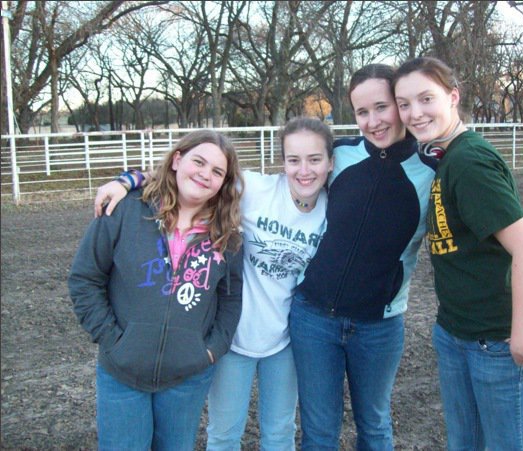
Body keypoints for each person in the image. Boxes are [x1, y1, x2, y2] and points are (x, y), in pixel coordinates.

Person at [93, 117, 334, 450]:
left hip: (284, 340)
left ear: (330, 162)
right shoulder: (256, 189)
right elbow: (190, 175)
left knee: (280, 433)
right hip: (232, 342)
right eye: (293, 159)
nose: (303, 169)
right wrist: (127, 180)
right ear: (283, 162)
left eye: (315, 159)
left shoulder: (332, 209)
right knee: (223, 434)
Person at [393, 56, 523, 451]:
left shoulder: (469, 161)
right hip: (456, 333)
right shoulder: (444, 156)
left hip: (497, 342)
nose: (414, 113)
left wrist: (522, 342)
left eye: (426, 99)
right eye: (404, 103)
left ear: (453, 97)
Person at [289, 64, 437, 450]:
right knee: (319, 433)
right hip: (313, 318)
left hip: (379, 326)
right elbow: (279, 188)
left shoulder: (431, 171)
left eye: (382, 107)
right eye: (361, 112)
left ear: (400, 106)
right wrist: (130, 180)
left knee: (374, 426)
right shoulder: (338, 156)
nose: (373, 122)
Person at [68, 130, 244, 450]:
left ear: (224, 182)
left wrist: (209, 351)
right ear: (178, 159)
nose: (205, 174)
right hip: (122, 372)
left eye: (217, 171)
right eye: (198, 162)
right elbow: (85, 278)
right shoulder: (125, 209)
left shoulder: (227, 234)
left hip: (187, 377)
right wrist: (113, 340)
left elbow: (231, 299)